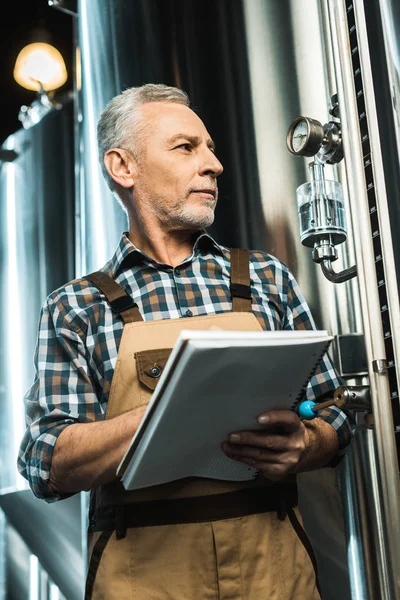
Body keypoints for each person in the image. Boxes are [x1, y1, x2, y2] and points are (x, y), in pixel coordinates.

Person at [18, 83, 352, 600]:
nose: (213, 164)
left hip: (276, 573)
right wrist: (167, 415)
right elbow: (45, 459)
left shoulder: (268, 279)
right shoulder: (77, 306)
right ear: (123, 168)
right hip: (144, 578)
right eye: (186, 147)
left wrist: (307, 443)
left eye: (212, 147)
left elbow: (335, 410)